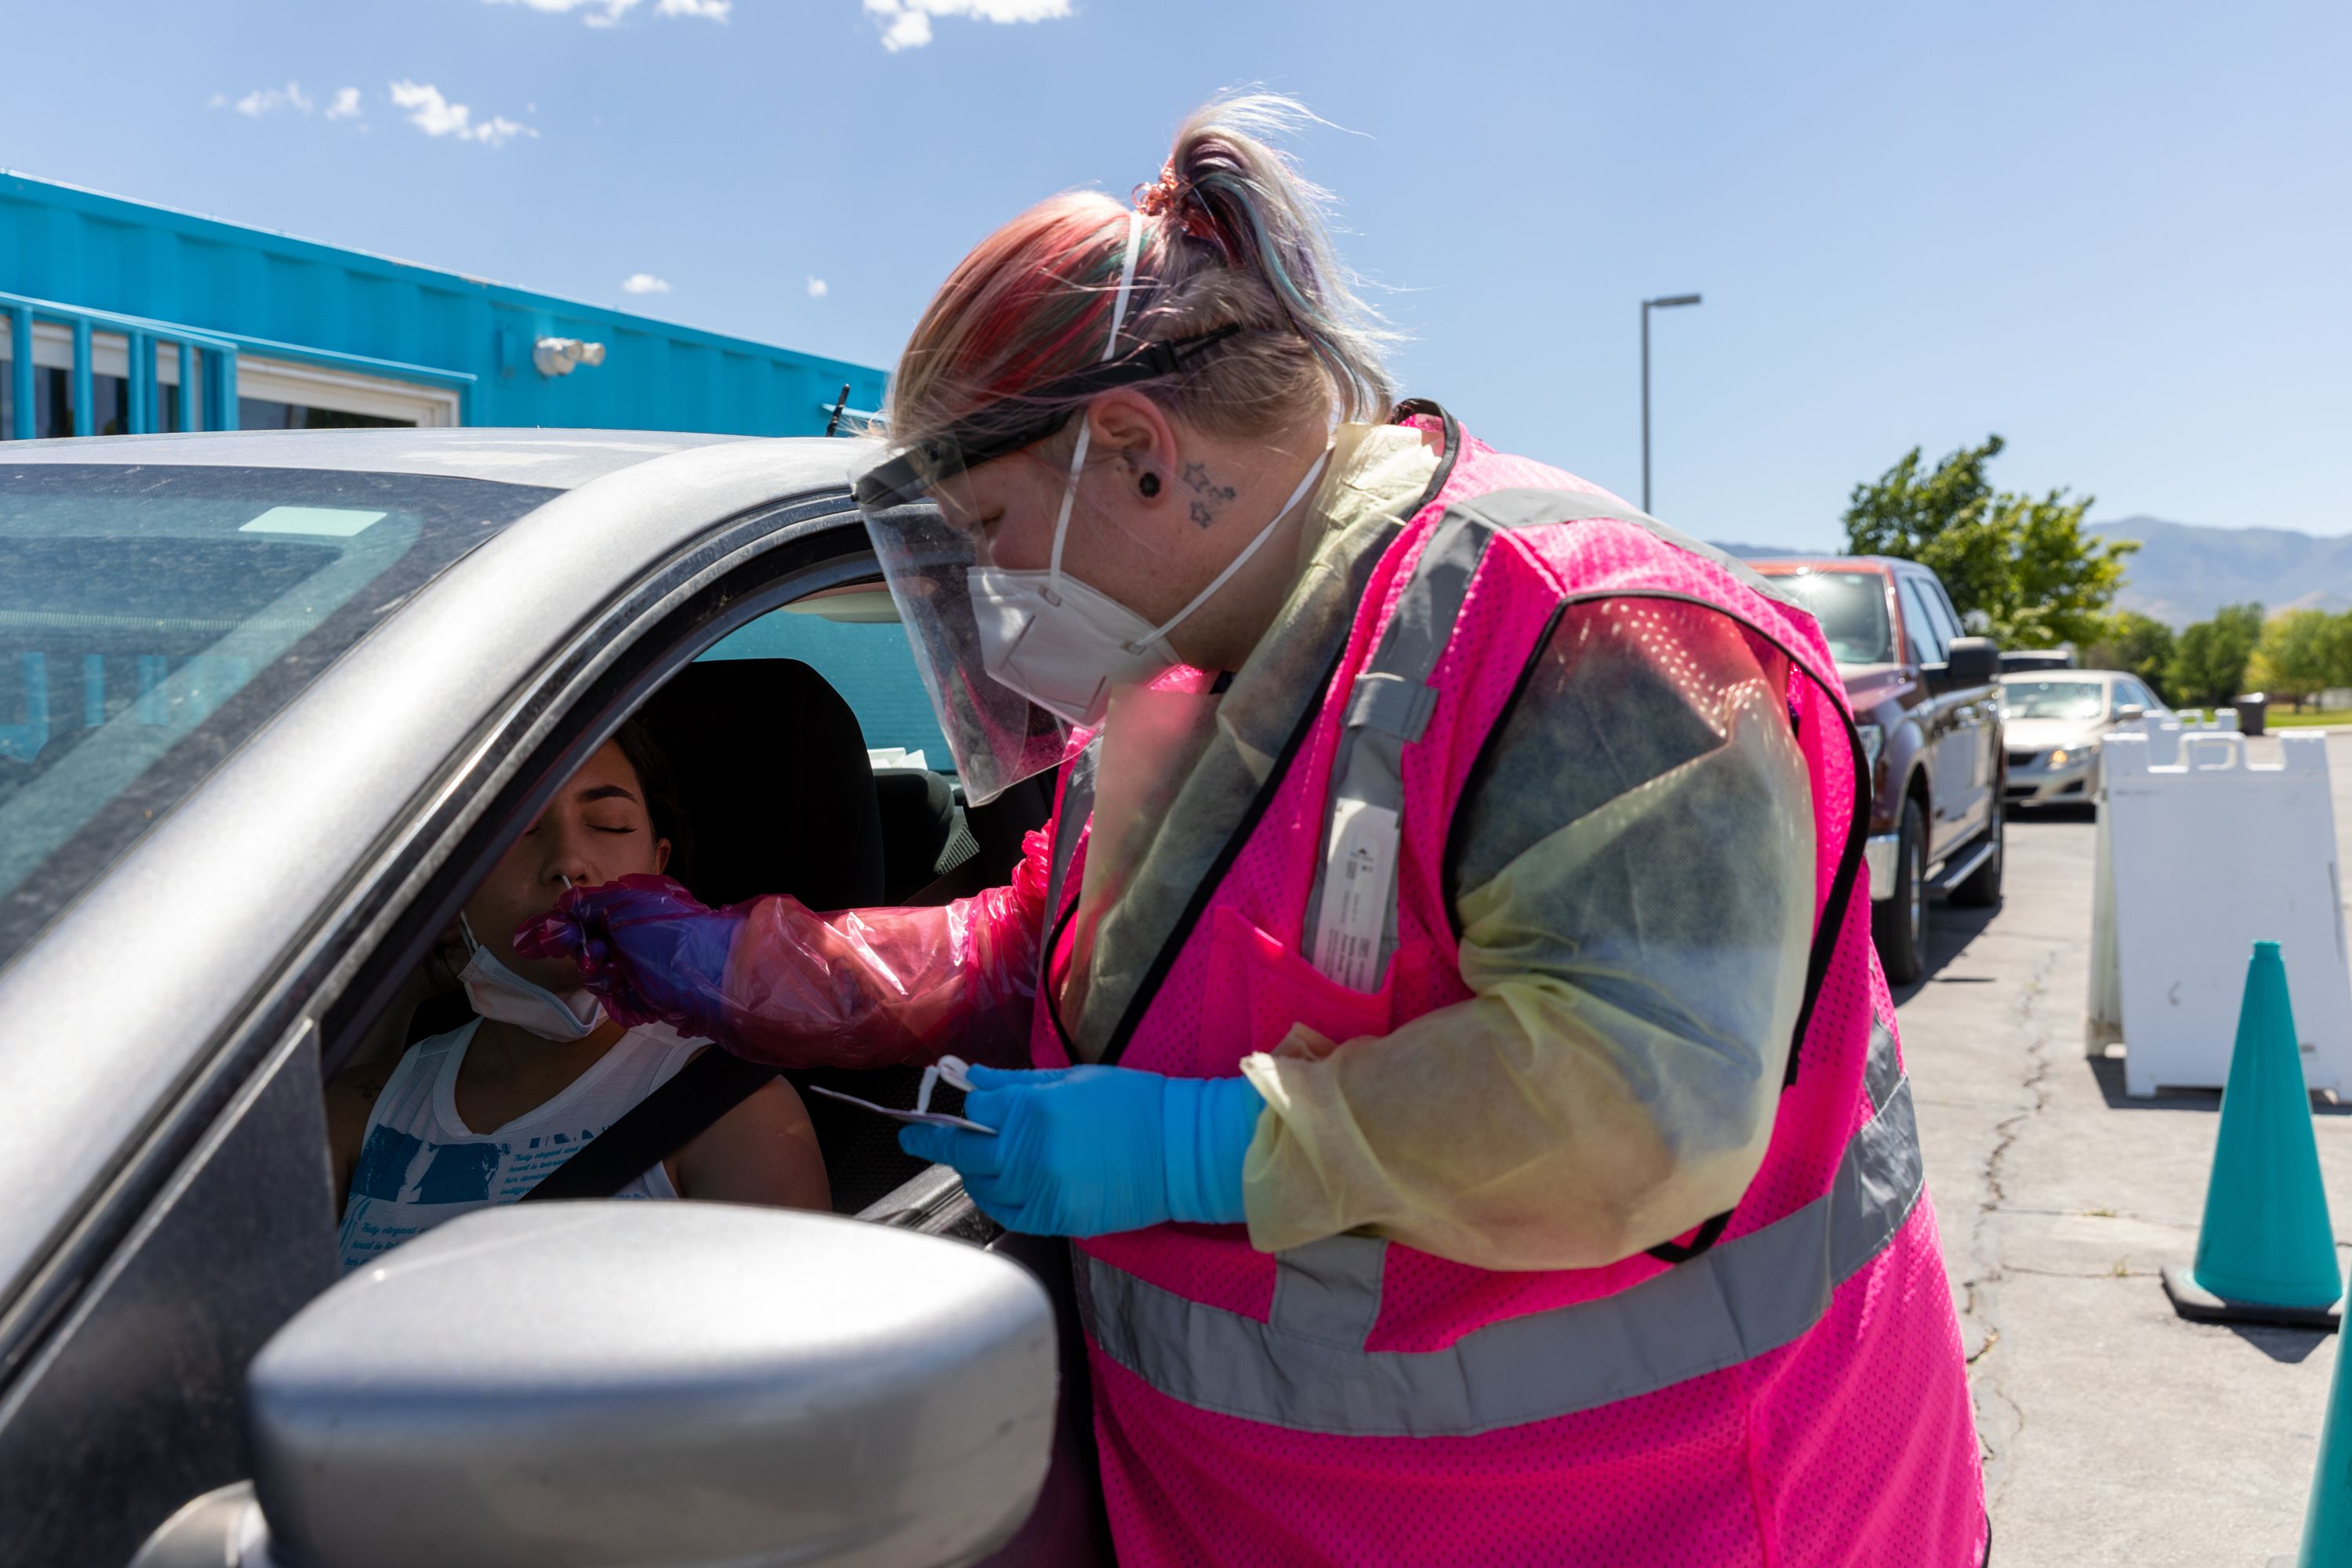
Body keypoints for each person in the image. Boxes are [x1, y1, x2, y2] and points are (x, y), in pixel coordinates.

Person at [522, 96, 1986, 1566]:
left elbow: (1642, 1101)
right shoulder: (1179, 685)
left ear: (1132, 448)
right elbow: (1057, 948)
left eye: (983, 530)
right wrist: (751, 970)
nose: (980, 595)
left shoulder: (1583, 633)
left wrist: (1194, 1147)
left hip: (1672, 1515)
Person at [327, 723, 829, 1272]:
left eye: (609, 825)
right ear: (449, 894)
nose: (569, 862)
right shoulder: (352, 1115)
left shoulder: (734, 1111)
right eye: (517, 828)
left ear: (659, 872)